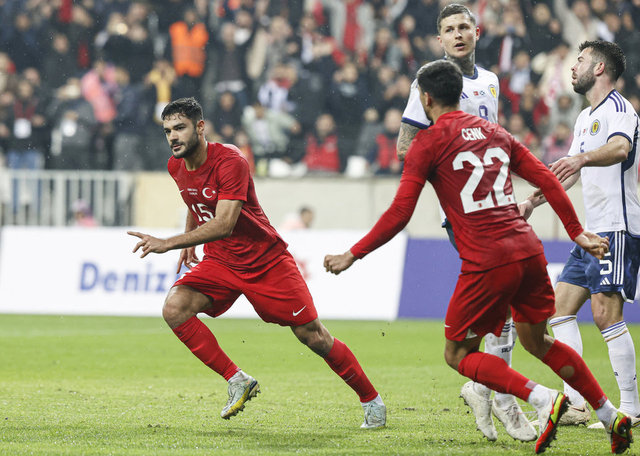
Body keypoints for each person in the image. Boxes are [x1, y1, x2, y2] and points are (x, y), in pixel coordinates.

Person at [324, 60, 633, 454]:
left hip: (488, 261)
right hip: (528, 251)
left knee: (457, 354)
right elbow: (545, 177)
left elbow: (400, 213)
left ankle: (542, 398)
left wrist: (353, 253)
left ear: (426, 98)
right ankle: (609, 414)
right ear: (459, 93)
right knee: (537, 340)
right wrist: (576, 231)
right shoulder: (496, 132)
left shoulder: (426, 144)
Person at [127, 97, 385, 428]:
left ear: (200, 127)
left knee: (313, 336)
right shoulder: (175, 166)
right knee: (174, 308)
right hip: (221, 260)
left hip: (265, 261)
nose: (173, 137)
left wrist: (170, 242)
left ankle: (371, 400)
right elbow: (195, 199)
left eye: (180, 128)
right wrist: (190, 237)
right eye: (167, 131)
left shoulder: (230, 161)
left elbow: (225, 223)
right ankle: (237, 380)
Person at [395, 4, 532, 442]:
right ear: (439, 39)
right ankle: (504, 399)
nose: (457, 34)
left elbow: (493, 143)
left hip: (498, 206)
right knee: (504, 303)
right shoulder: (429, 83)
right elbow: (404, 146)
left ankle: (483, 388)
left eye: (463, 27)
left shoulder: (490, 81)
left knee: (501, 307)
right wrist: (451, 166)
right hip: (462, 213)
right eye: (449, 29)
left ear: (477, 32)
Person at [520, 40, 640, 427]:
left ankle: (632, 407)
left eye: (581, 60)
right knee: (559, 310)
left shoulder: (620, 109)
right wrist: (532, 202)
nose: (573, 67)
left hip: (617, 227)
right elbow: (567, 173)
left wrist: (582, 158)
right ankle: (575, 403)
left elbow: (620, 149)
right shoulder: (584, 117)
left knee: (605, 314)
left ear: (600, 68)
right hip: (591, 232)